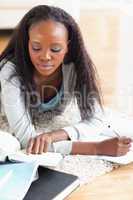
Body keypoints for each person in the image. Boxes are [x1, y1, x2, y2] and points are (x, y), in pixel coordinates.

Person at [0, 5, 132, 156]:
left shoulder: (74, 67)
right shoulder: (11, 71)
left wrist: (55, 135)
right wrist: (95, 148)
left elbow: (96, 119)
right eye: (36, 47)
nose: (45, 57)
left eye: (55, 49)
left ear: (68, 46)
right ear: (26, 43)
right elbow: (28, 142)